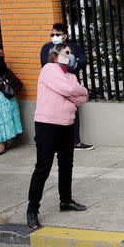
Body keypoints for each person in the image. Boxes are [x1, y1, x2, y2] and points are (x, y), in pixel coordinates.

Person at [26, 43, 90, 229]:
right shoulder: (49, 69)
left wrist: (78, 92)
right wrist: (77, 91)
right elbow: (72, 92)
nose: (70, 56)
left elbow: (82, 98)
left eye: (70, 53)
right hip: (47, 125)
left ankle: (66, 200)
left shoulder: (71, 76)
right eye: (66, 53)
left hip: (66, 124)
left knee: (66, 165)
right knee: (43, 167)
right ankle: (32, 209)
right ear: (55, 55)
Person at [40, 23, 93, 151]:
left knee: (73, 112)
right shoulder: (47, 48)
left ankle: (76, 142)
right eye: (52, 34)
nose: (54, 37)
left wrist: (72, 65)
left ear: (65, 35)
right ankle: (57, 145)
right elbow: (45, 63)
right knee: (55, 114)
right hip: (54, 85)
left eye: (57, 34)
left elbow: (82, 60)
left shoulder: (73, 47)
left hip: (69, 81)